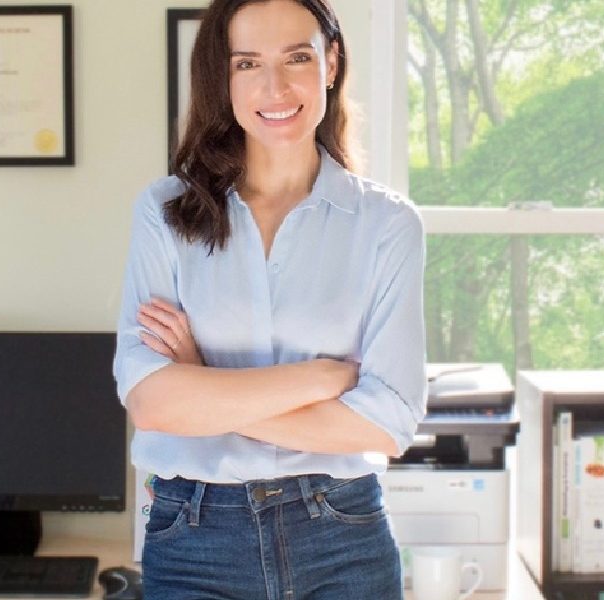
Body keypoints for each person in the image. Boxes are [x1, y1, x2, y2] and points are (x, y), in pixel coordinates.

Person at [113, 0, 425, 597]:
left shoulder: (387, 225)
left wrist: (203, 385)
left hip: (341, 534)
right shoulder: (164, 214)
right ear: (221, 77)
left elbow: (388, 424)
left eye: (297, 58)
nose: (275, 86)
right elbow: (153, 403)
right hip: (193, 536)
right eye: (248, 62)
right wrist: (326, 377)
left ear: (330, 63)